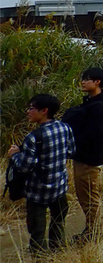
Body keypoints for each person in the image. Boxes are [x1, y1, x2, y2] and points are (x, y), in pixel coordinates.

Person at [7, 94, 75, 256]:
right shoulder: (65, 128)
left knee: (37, 230)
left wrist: (14, 155)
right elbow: (71, 152)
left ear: (44, 111)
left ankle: (40, 257)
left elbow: (24, 167)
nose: (28, 112)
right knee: (58, 221)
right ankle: (58, 253)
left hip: (37, 191)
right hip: (59, 187)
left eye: (31, 108)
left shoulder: (33, 138)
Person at [61, 67, 103, 242]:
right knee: (87, 196)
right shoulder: (93, 104)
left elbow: (95, 136)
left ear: (97, 82)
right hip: (85, 158)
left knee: (89, 198)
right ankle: (93, 231)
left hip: (88, 160)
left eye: (87, 79)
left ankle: (94, 233)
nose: (83, 82)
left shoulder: (98, 107)